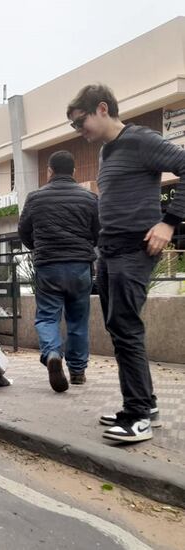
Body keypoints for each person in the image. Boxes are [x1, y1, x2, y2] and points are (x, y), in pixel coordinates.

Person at [67, 84, 185, 443]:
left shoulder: (139, 140)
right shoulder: (108, 151)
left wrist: (169, 222)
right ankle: (144, 405)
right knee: (120, 329)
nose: (78, 132)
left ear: (102, 109)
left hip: (135, 249)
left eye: (79, 122)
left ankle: (137, 418)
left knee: (126, 328)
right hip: (111, 250)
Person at [18, 150, 99, 392]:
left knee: (47, 316)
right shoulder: (89, 198)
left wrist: (39, 248)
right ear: (74, 171)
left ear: (49, 171)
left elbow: (24, 231)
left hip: (48, 266)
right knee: (78, 319)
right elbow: (98, 231)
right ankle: (77, 371)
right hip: (80, 266)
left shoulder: (35, 198)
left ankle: (53, 353)